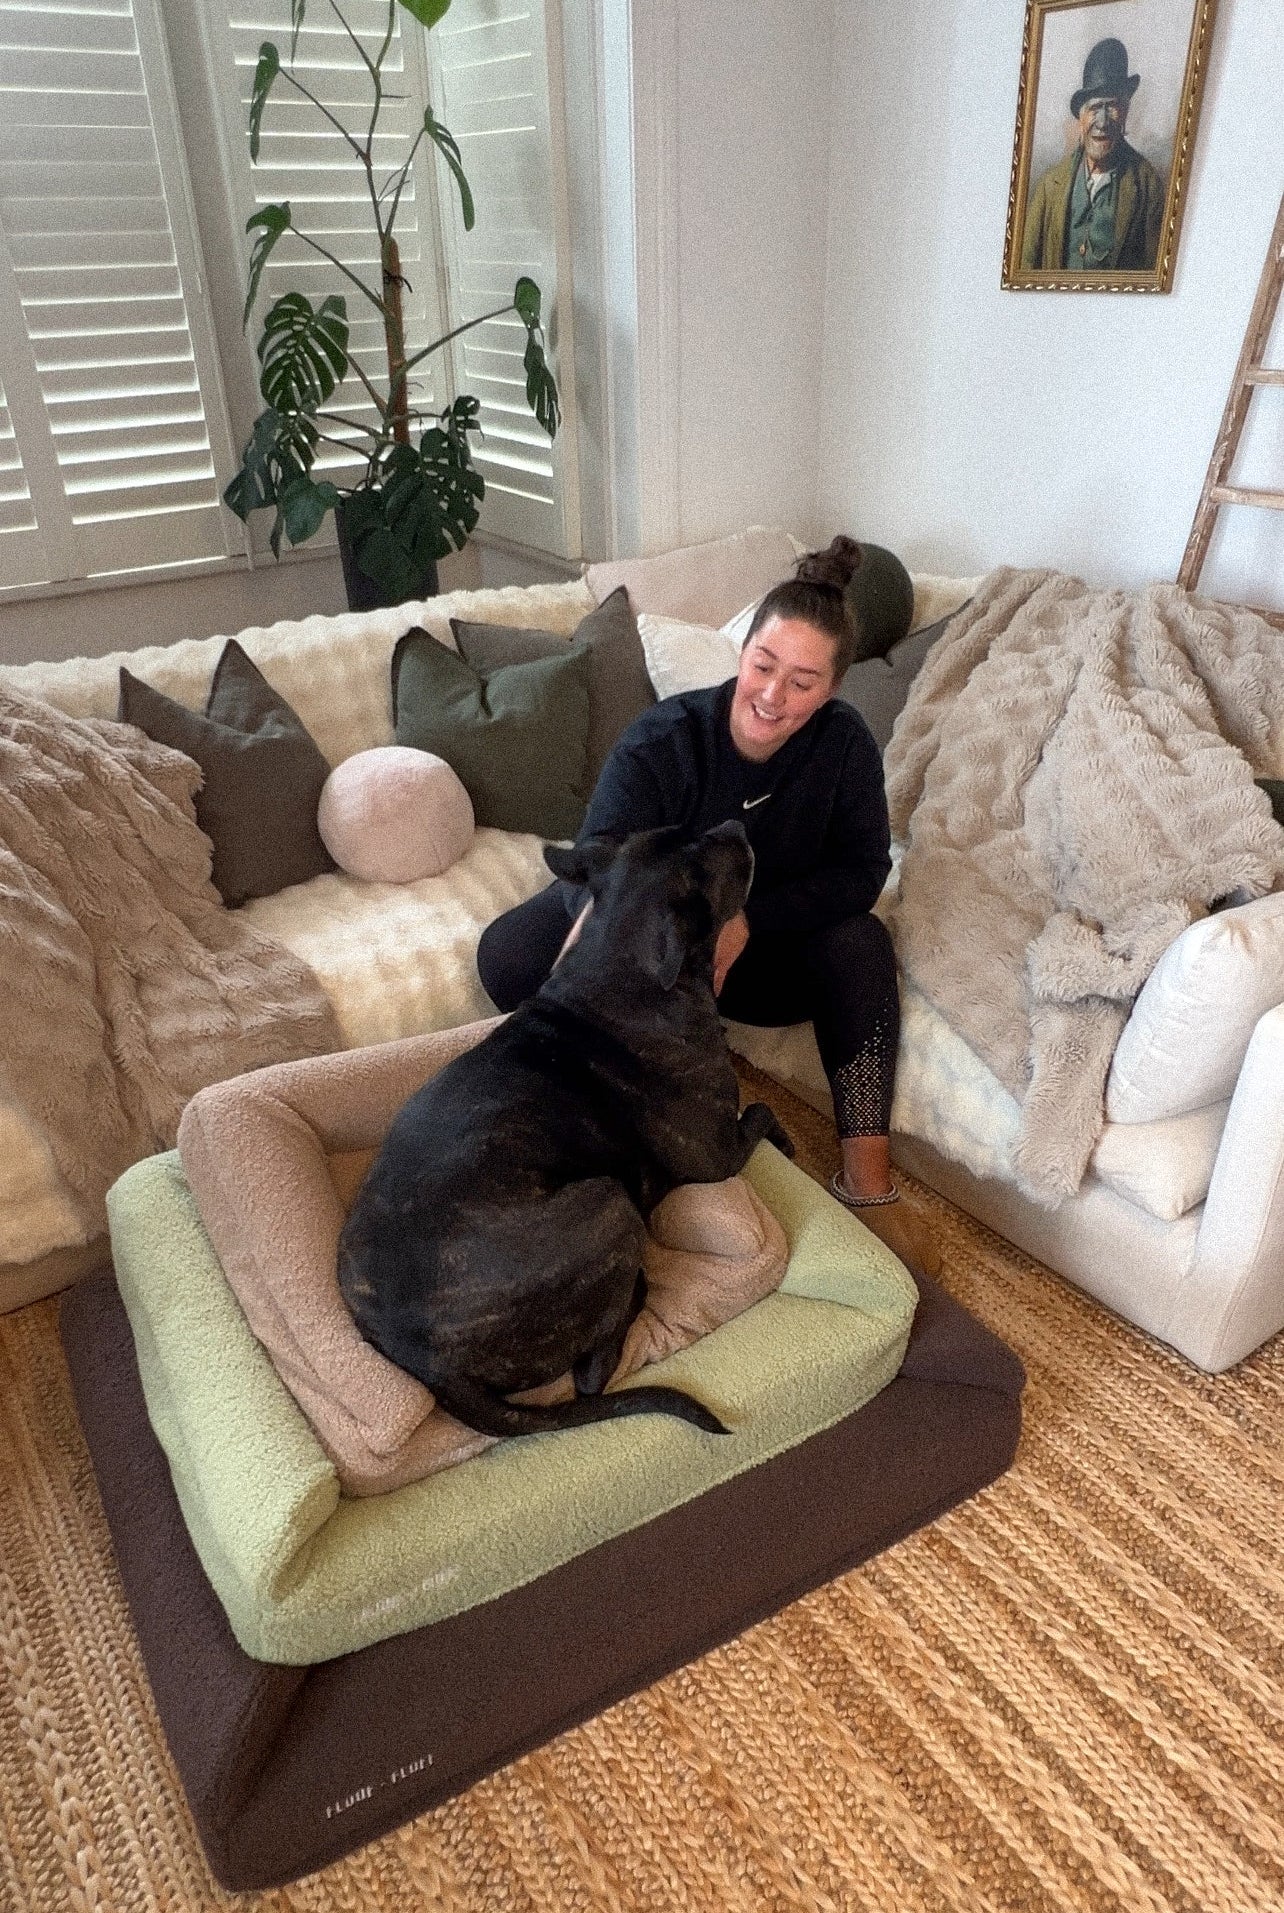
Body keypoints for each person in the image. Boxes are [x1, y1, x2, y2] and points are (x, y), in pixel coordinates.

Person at [477, 536, 939, 1275]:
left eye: (803, 682)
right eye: (764, 666)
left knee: (861, 942)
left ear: (832, 688)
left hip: (761, 957)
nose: (774, 696)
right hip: (653, 958)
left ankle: (866, 1182)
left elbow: (862, 871)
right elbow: (601, 871)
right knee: (507, 952)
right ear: (743, 650)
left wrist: (748, 918)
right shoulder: (661, 743)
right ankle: (644, 1090)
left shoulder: (845, 746)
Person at [1020, 37, 1166, 274]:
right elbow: (1024, 269)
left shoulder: (1148, 186)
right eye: (1095, 108)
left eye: (1111, 106)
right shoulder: (1049, 187)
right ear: (1080, 118)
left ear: (1126, 111)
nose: (1102, 121)